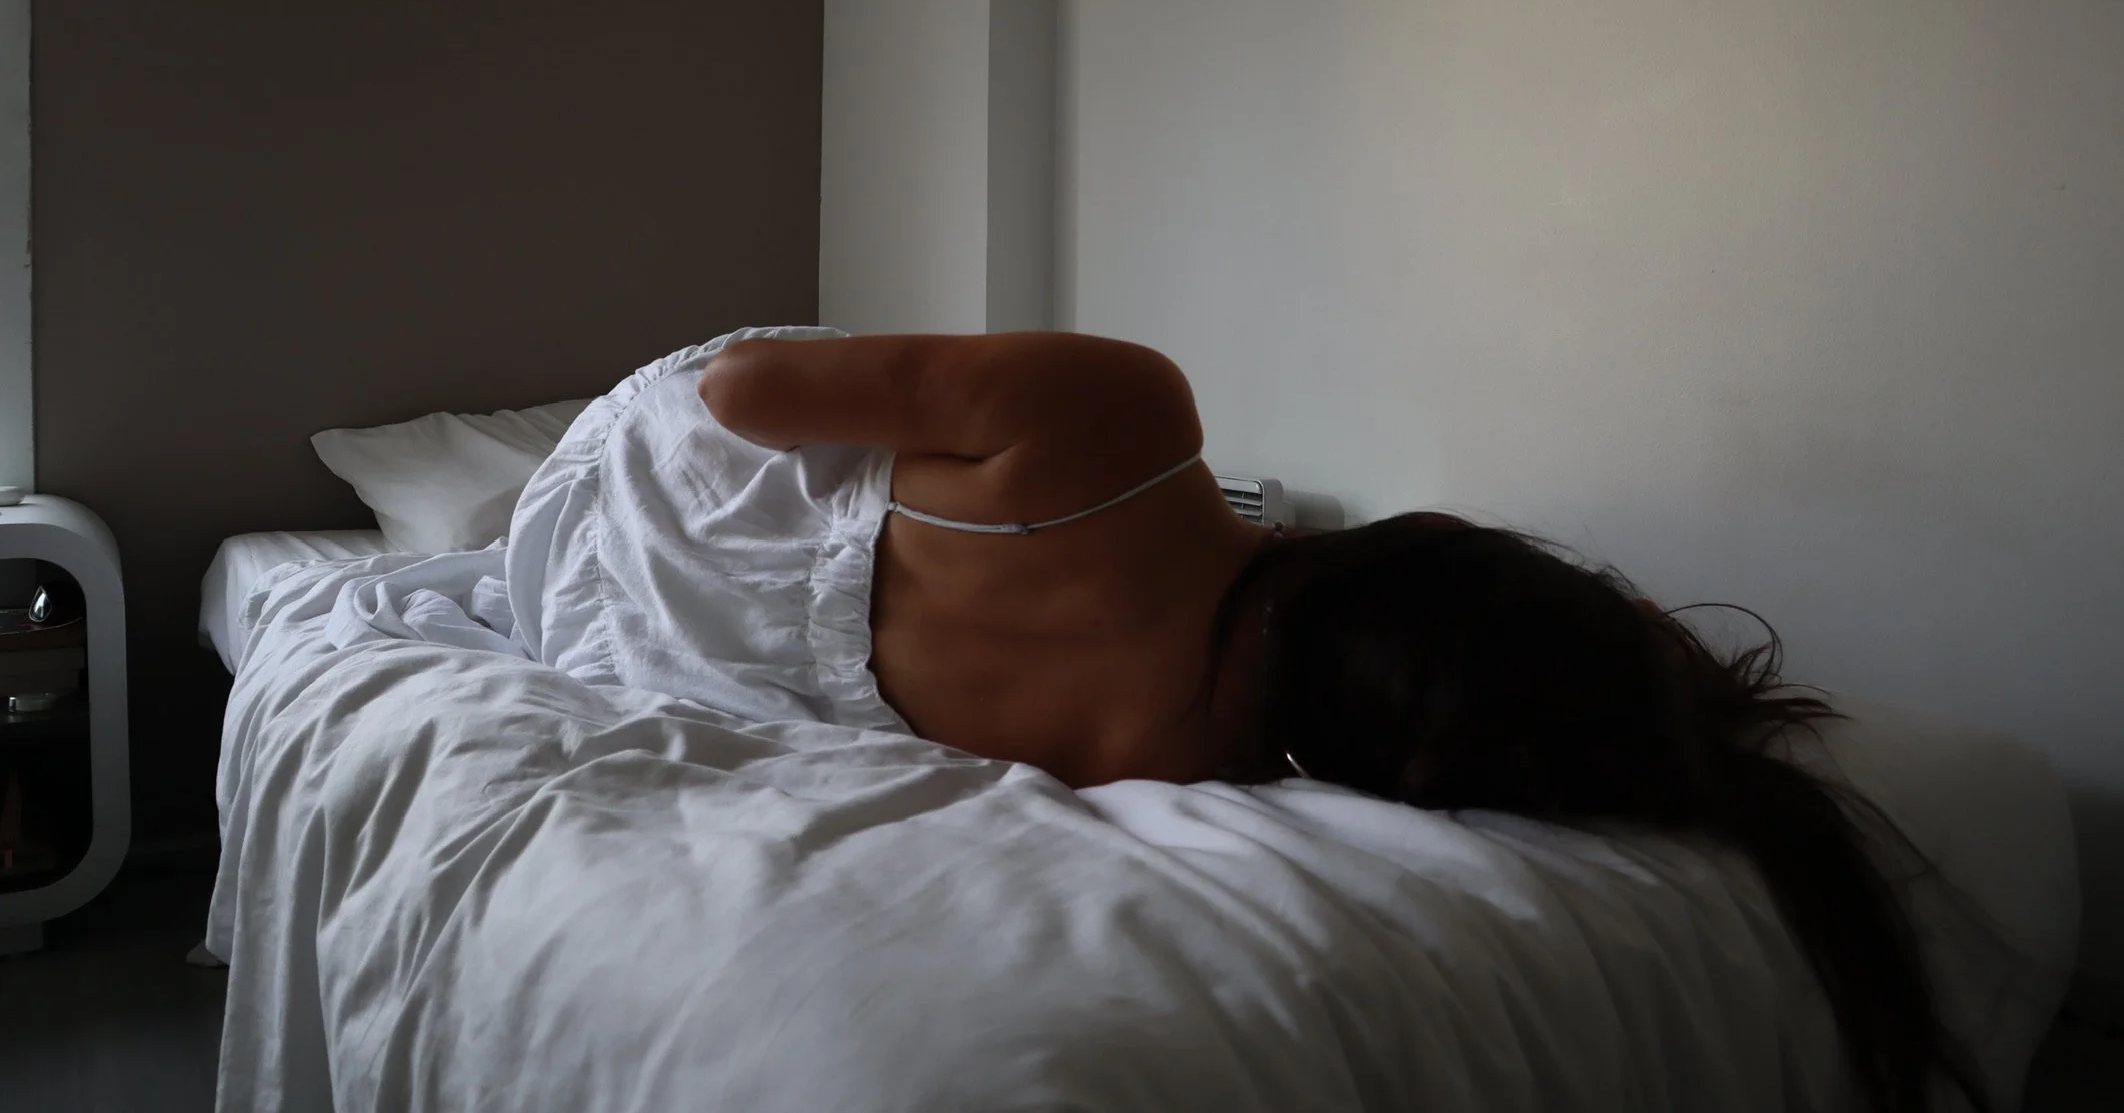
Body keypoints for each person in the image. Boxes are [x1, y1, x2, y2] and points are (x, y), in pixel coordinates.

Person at [636, 326, 1980, 1113]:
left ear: (1430, 538)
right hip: (647, 644)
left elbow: (740, 393)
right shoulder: (1184, 759)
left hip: (640, 481)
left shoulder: (1123, 419)